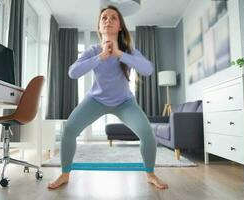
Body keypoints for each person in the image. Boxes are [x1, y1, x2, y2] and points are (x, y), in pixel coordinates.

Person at [47, 5, 168, 190]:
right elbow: (72, 72)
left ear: (120, 26)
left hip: (124, 102)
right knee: (69, 129)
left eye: (113, 18)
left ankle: (150, 174)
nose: (108, 21)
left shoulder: (128, 50)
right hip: (95, 100)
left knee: (147, 134)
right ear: (99, 26)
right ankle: (65, 174)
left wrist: (119, 54)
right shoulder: (93, 50)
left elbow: (148, 69)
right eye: (104, 18)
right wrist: (101, 57)